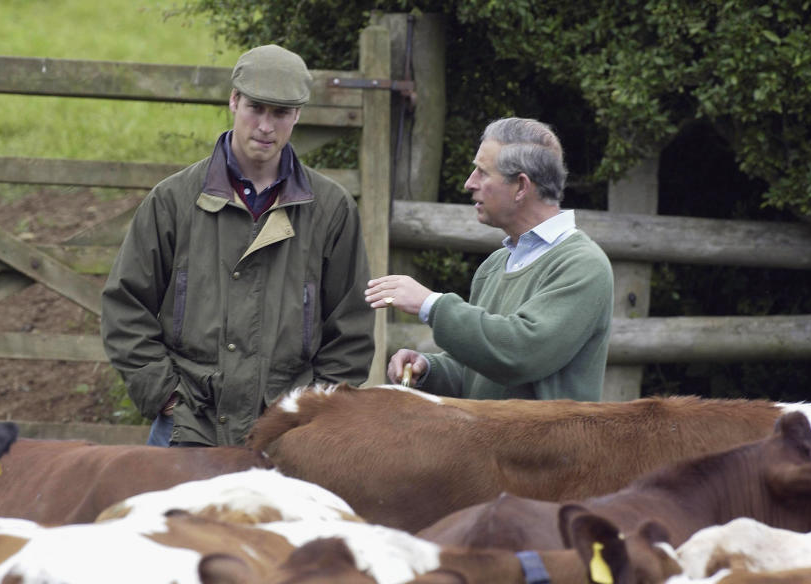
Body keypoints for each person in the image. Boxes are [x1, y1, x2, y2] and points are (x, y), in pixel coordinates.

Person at [101, 44, 376, 447]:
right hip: (187, 427)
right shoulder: (174, 200)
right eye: (255, 108)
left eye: (280, 113)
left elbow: (350, 329)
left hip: (289, 436)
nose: (266, 126)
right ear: (233, 101)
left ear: (297, 115)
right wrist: (164, 396)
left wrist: (315, 412)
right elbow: (125, 307)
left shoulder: (330, 209)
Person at [365, 116, 613, 401]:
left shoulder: (582, 265)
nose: (469, 183)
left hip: (546, 448)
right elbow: (478, 372)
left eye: (482, 173)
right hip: (488, 446)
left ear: (521, 186)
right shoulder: (494, 265)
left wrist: (430, 304)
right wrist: (429, 369)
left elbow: (519, 355)